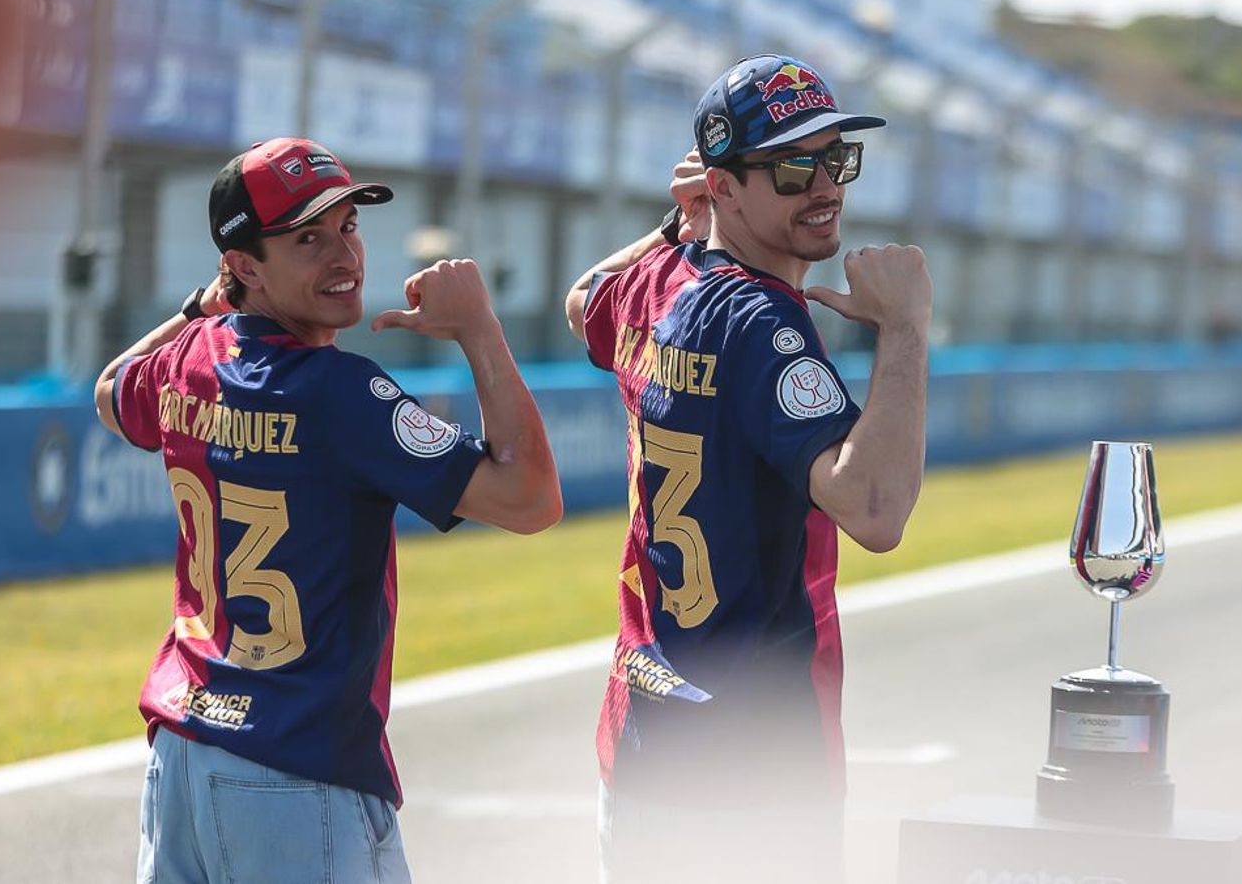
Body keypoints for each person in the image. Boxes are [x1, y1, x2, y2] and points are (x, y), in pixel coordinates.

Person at [94, 136, 561, 884]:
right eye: (307, 238)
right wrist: (479, 329)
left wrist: (199, 308)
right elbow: (532, 499)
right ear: (245, 264)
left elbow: (111, 392)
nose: (343, 257)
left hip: (180, 758)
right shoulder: (337, 393)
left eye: (347, 226)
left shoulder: (189, 357)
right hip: (294, 772)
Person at [565, 54, 932, 883]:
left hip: (644, 736)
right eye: (793, 166)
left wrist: (673, 228)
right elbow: (873, 511)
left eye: (837, 159)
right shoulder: (762, 320)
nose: (825, 186)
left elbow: (581, 299)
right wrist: (906, 329)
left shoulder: (657, 284)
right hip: (754, 765)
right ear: (724, 184)